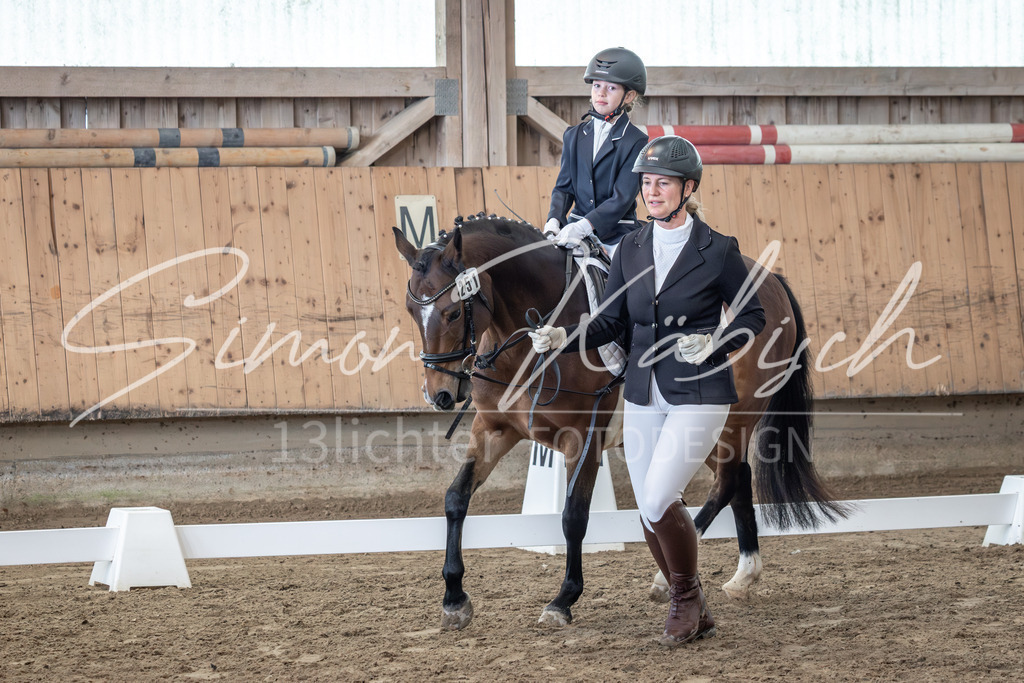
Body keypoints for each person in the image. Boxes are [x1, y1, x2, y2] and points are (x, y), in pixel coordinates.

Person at [530, 136, 766, 646]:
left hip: (698, 392)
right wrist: (563, 338)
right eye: (646, 183)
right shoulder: (632, 247)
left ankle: (685, 601)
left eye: (662, 183)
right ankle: (696, 603)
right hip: (642, 392)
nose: (652, 192)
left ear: (688, 188)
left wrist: (716, 342)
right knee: (647, 506)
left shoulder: (718, 249)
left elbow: (752, 315)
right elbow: (612, 321)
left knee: (660, 496)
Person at [544, 47, 649, 258]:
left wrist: (585, 226)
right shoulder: (573, 135)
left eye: (611, 88)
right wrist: (554, 219)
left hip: (617, 233)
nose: (601, 93)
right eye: (597, 86)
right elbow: (564, 187)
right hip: (572, 229)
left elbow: (622, 198)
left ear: (628, 96)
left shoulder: (636, 141)